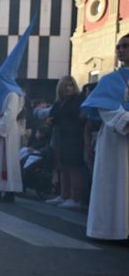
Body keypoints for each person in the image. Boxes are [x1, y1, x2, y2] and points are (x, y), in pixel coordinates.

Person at [81, 34, 129, 240]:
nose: (120, 50)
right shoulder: (110, 80)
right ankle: (111, 231)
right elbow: (106, 108)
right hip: (116, 139)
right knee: (114, 182)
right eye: (118, 46)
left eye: (125, 46)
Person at [0, 18, 35, 202]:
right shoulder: (0, 93)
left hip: (7, 132)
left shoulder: (12, 94)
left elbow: (10, 114)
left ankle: (9, 190)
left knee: (6, 160)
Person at [44, 76, 86, 209]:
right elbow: (53, 116)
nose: (68, 88)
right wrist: (49, 120)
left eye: (70, 85)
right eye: (65, 86)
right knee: (63, 167)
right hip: (61, 137)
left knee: (74, 168)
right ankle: (64, 194)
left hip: (75, 137)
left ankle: (75, 198)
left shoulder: (78, 100)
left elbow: (79, 117)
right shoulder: (59, 103)